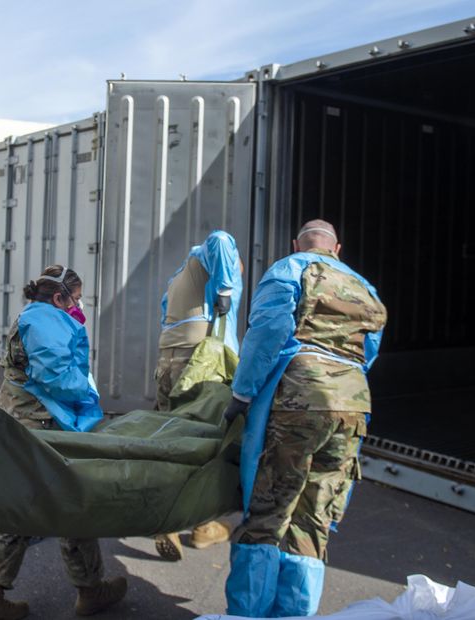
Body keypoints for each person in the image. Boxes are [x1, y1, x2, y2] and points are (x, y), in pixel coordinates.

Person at [222, 219, 387, 617]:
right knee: (314, 514)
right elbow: (370, 351)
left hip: (300, 397)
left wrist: (242, 394)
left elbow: (268, 329)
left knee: (269, 509)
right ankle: (294, 613)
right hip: (353, 405)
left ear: (297, 243)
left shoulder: (290, 268)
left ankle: (247, 614)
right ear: (338, 249)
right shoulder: (364, 286)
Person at [0, 265, 127, 620]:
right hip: (41, 427)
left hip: (19, 422)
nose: (79, 304)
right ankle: (88, 589)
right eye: (75, 297)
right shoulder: (45, 322)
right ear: (59, 297)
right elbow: (56, 376)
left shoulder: (32, 316)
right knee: (70, 502)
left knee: (22, 507)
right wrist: (87, 391)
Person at [153, 230, 244, 561]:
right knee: (203, 441)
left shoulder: (180, 275)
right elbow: (221, 238)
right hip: (198, 360)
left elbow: (164, 310)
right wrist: (225, 290)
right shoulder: (214, 252)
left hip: (169, 358)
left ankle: (202, 523)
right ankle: (177, 519)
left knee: (169, 436)